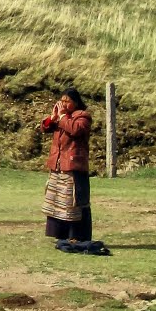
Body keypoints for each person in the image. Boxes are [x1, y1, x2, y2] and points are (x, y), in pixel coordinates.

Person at [40, 87, 92, 242]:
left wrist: (62, 117)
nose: (63, 104)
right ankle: (60, 234)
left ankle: (77, 236)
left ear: (75, 103)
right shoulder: (62, 118)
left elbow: (75, 130)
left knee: (73, 202)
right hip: (58, 166)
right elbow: (45, 128)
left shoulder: (82, 117)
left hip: (73, 166)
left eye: (67, 101)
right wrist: (53, 117)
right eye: (62, 101)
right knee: (58, 201)